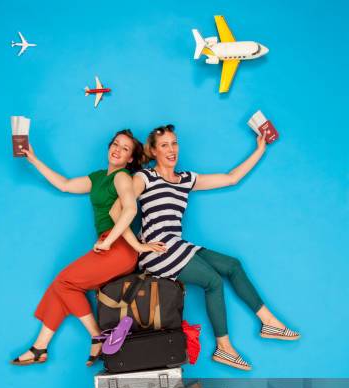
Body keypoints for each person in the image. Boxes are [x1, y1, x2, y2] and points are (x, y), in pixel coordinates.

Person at [104, 124, 299, 371]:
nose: (171, 149)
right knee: (213, 281)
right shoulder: (144, 178)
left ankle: (269, 323)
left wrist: (260, 149)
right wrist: (139, 246)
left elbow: (231, 178)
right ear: (153, 151)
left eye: (174, 143)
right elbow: (116, 209)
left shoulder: (186, 180)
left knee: (233, 265)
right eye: (164, 145)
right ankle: (224, 348)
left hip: (177, 245)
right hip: (158, 253)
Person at [11, 129, 164, 367]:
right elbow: (65, 184)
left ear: (130, 159)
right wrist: (34, 159)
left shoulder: (123, 177)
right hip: (110, 245)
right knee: (59, 288)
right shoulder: (98, 176)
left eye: (125, 149)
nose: (118, 150)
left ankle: (97, 336)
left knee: (64, 283)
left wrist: (110, 241)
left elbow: (130, 210)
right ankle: (39, 348)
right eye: (115, 144)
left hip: (118, 247)